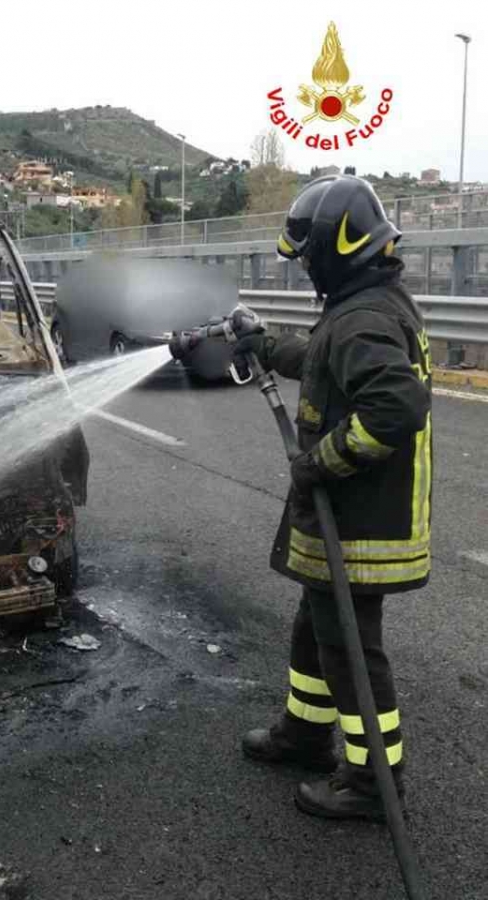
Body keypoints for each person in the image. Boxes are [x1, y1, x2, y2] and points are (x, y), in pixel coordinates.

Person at [234, 175, 432, 820]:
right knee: (314, 627)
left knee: (349, 646)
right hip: (356, 515)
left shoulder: (363, 318)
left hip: (360, 521)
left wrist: (321, 461)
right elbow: (325, 359)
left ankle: (376, 783)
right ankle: (304, 734)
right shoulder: (367, 304)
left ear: (329, 250)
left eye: (307, 256)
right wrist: (264, 344)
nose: (304, 269)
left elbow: (395, 407)